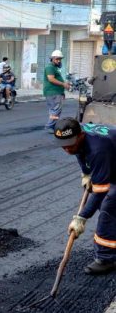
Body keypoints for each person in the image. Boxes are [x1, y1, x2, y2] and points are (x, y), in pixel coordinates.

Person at [54, 118, 116, 275]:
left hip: (111, 160)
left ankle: (106, 258)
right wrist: (86, 173)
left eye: (70, 145)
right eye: (63, 146)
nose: (67, 150)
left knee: (109, 206)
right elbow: (79, 152)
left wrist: (81, 217)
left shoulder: (98, 149)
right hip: (112, 161)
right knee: (108, 207)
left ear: (81, 135)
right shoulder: (77, 137)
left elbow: (100, 191)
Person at [43, 50, 71, 134]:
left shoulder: (54, 68)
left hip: (56, 92)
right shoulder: (50, 67)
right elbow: (51, 79)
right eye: (57, 59)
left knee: (55, 110)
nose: (59, 61)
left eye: (60, 59)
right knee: (55, 110)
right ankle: (49, 126)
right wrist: (63, 84)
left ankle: (53, 125)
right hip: (53, 92)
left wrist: (63, 88)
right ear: (52, 59)